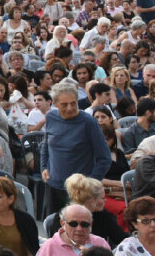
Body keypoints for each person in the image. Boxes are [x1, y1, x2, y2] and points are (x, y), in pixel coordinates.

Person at [41, 81, 112, 211]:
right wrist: (44, 167)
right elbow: (45, 145)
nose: (70, 108)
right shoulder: (50, 117)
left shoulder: (88, 122)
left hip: (79, 191)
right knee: (54, 222)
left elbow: (105, 158)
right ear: (55, 103)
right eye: (64, 104)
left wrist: (90, 183)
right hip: (54, 185)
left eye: (73, 103)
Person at [63, 174, 128, 248]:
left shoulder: (102, 215)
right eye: (102, 198)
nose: (105, 200)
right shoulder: (65, 217)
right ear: (91, 200)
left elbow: (121, 238)